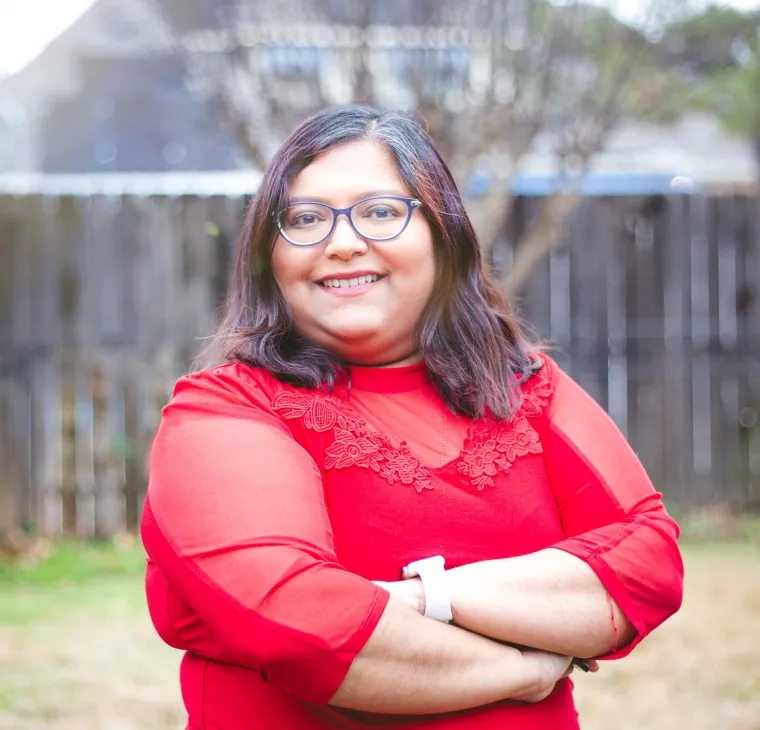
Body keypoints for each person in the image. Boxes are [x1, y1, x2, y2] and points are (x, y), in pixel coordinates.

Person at [141, 106, 684, 729]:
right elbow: (299, 626)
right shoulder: (224, 411)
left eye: (380, 211)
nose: (342, 243)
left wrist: (426, 598)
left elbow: (649, 566)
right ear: (270, 255)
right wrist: (526, 668)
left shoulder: (528, 388)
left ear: (443, 236)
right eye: (307, 219)